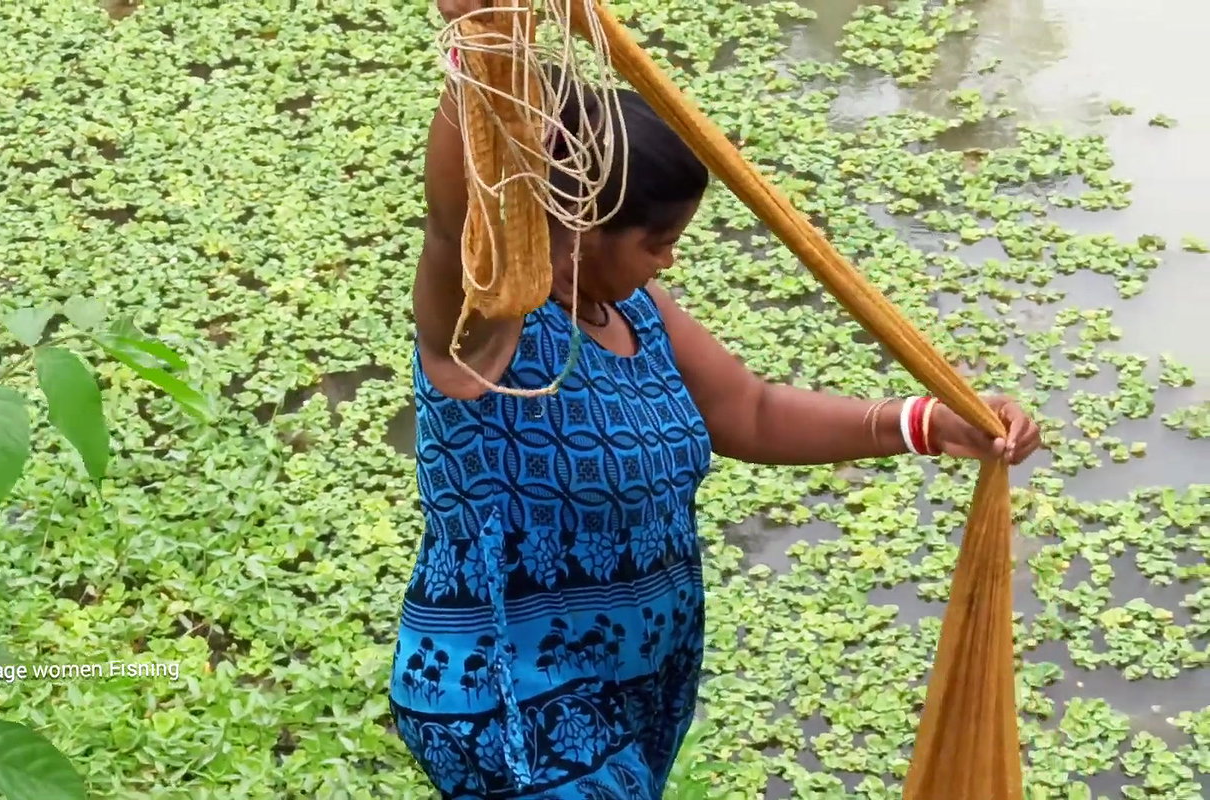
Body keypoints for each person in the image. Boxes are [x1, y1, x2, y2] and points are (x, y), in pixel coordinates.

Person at [388, 2, 1043, 797]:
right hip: (511, 695)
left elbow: (751, 411)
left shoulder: (634, 312)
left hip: (635, 683)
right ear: (580, 224)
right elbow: (454, 222)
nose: (667, 262)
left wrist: (926, 424)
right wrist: (486, 47)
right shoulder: (488, 337)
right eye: (656, 242)